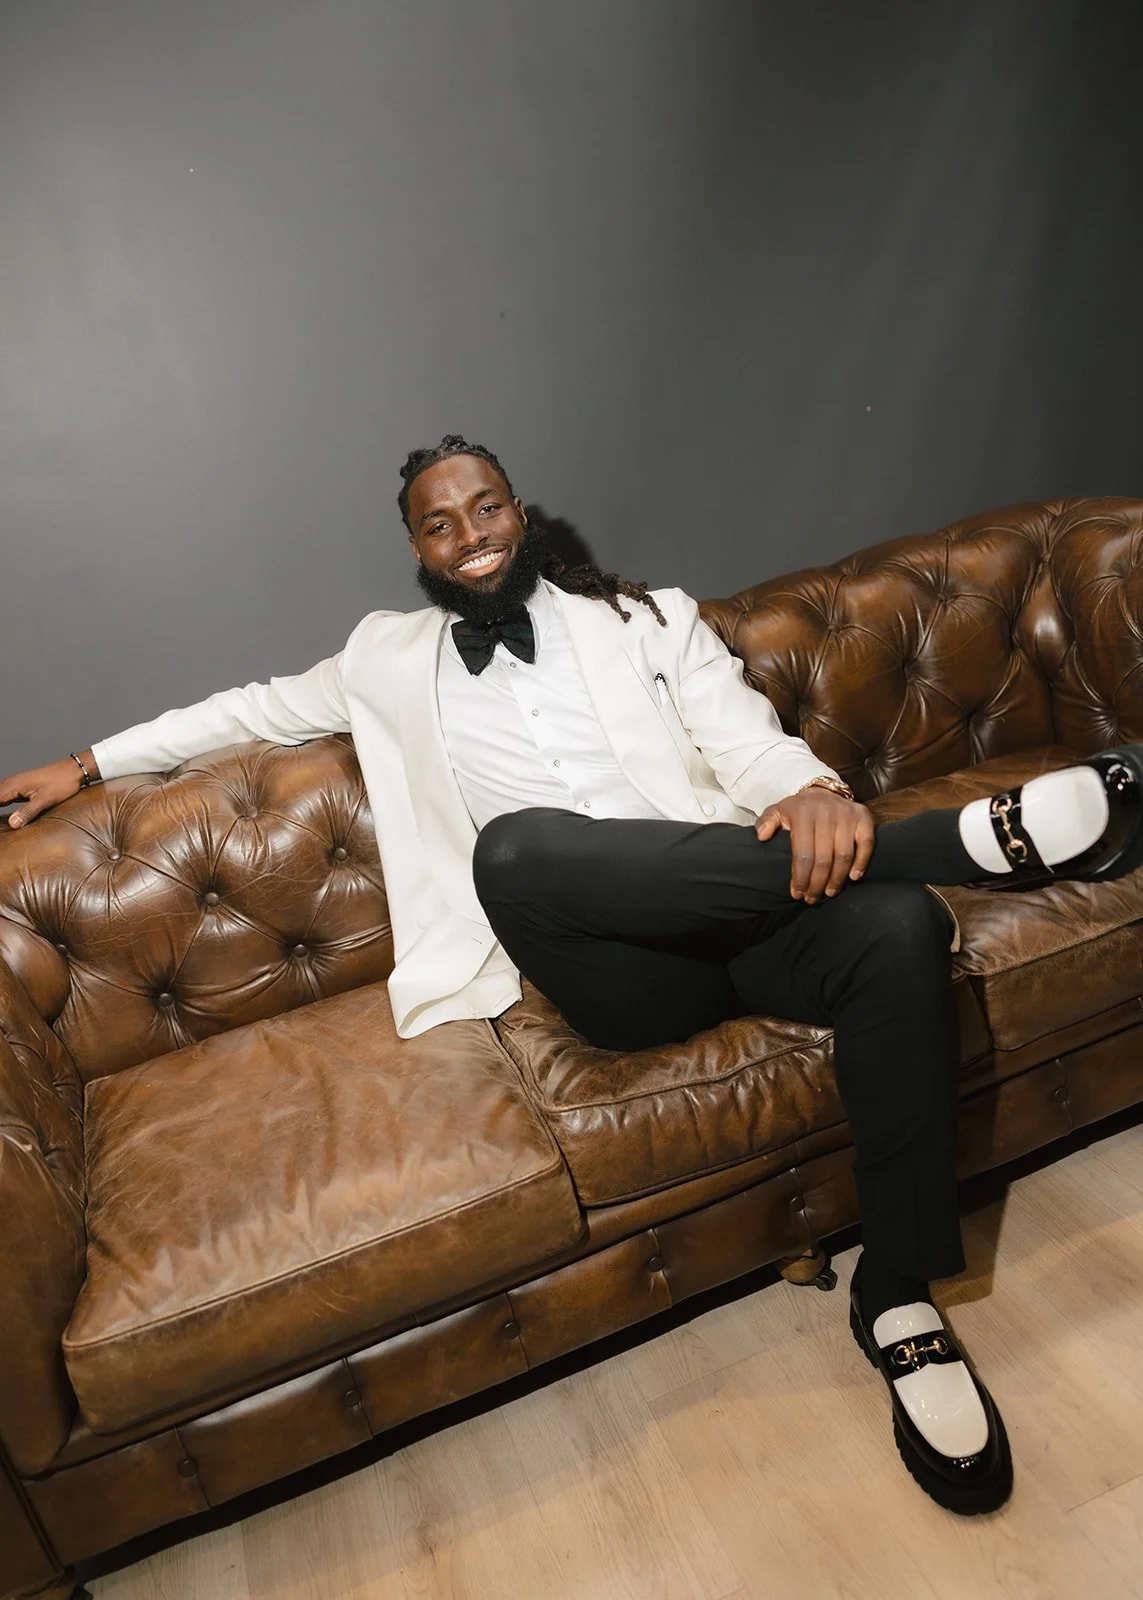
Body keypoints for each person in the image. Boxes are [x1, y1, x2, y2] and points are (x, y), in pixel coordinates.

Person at [5, 434, 1143, 1519]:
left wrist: (813, 795)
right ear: (419, 550)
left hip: (744, 910)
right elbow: (243, 709)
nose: (472, 534)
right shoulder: (382, 660)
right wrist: (89, 761)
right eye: (440, 524)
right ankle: (957, 842)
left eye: (486, 507)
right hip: (614, 972)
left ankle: (897, 1293)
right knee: (521, 848)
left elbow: (746, 746)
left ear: (521, 510)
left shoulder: (650, 619)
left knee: (895, 930)